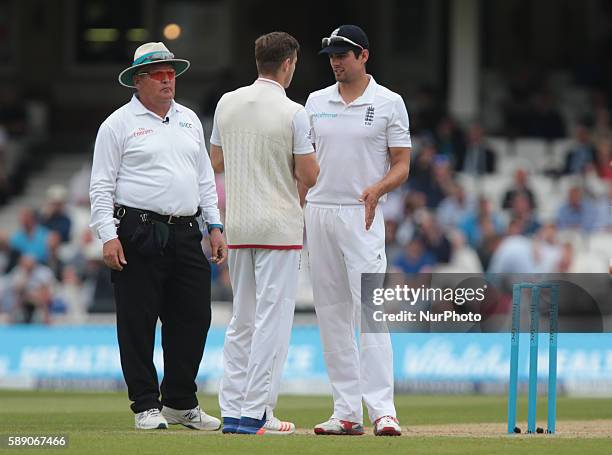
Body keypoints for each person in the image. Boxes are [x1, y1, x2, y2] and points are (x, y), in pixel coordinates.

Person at [89, 42, 226, 431]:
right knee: (138, 321)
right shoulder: (117, 124)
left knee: (195, 317)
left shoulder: (190, 120)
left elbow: (204, 178)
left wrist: (214, 226)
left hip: (185, 230)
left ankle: (180, 402)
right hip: (137, 230)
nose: (169, 80)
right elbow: (101, 186)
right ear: (138, 80)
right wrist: (108, 235)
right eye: (159, 74)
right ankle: (146, 404)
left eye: (171, 73)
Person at [210, 31, 319, 436]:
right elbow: (310, 174)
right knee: (272, 321)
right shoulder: (294, 111)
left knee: (242, 320)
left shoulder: (227, 102)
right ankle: (256, 413)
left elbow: (217, 160)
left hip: (239, 224)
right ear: (289, 63)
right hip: (279, 226)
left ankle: (234, 408)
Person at [304, 25, 411, 436]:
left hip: (361, 214)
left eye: (343, 54)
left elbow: (402, 162)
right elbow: (303, 164)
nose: (335, 60)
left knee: (370, 312)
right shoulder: (315, 101)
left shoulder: (388, 103)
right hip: (320, 212)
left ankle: (383, 410)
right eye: (331, 54)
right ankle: (346, 412)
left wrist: (378, 188)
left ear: (363, 55)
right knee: (331, 314)